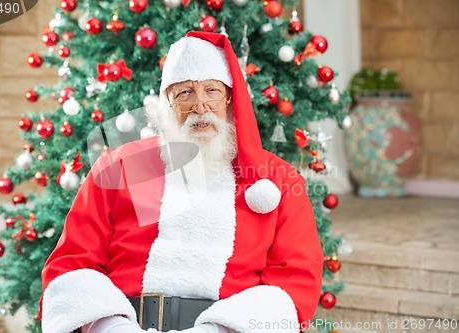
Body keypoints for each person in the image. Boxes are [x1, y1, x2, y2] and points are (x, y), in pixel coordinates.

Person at [40, 31, 324, 333]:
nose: (200, 106)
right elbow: (73, 261)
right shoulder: (120, 166)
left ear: (230, 99)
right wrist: (111, 328)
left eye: (212, 90)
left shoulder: (275, 179)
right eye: (184, 93)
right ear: (167, 104)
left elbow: (294, 279)